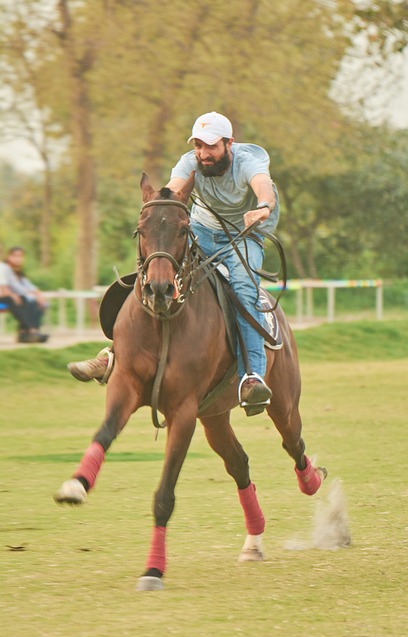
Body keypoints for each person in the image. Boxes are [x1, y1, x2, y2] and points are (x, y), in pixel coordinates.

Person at [68, 112, 280, 414]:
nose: (204, 154)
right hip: (203, 231)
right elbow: (172, 191)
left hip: (243, 235)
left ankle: (252, 377)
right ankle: (113, 356)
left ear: (229, 144)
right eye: (198, 146)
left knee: (244, 288)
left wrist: (263, 207)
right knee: (157, 271)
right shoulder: (190, 162)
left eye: (211, 147)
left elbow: (264, 187)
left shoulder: (248, 162)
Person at [4, 246, 49, 343]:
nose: (18, 258)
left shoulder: (18, 271)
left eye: (20, 256)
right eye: (15, 256)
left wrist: (38, 294)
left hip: (17, 296)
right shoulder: (5, 269)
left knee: (40, 303)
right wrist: (29, 294)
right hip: (7, 297)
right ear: (9, 256)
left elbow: (28, 285)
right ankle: (31, 331)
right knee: (27, 300)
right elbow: (14, 286)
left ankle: (26, 332)